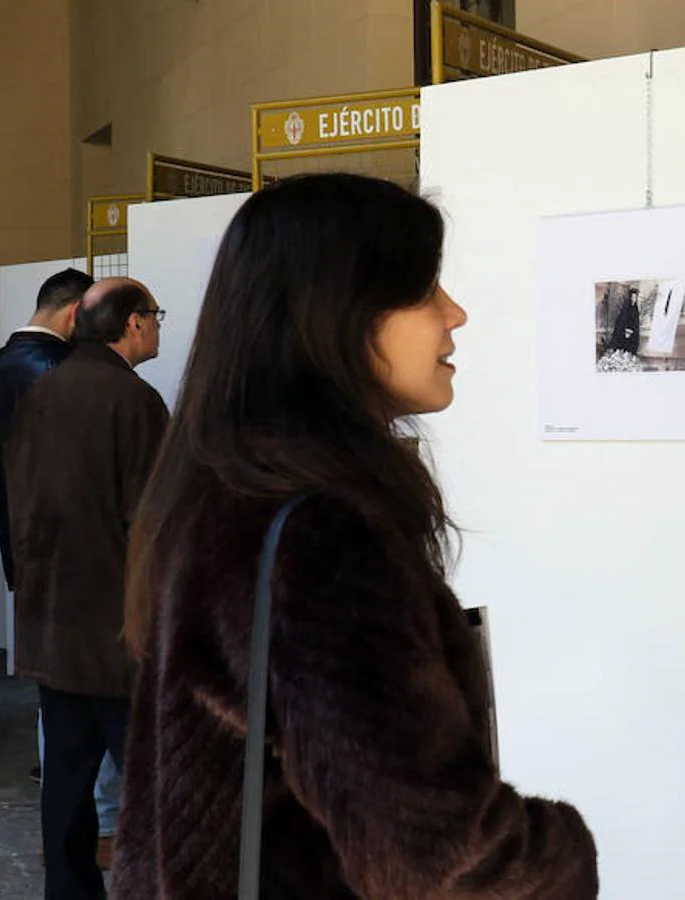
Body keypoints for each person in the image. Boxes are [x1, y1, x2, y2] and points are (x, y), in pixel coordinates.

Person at [112, 173, 598, 898]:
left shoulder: (226, 484)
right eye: (424, 289)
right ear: (337, 310)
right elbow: (438, 858)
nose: (454, 314)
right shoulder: (321, 530)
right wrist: (560, 855)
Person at [4, 276, 168, 900]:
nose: (156, 325)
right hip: (120, 633)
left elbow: (20, 504)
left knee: (66, 784)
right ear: (131, 324)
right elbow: (151, 521)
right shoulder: (134, 402)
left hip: (54, 625)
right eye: (153, 315)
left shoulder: (42, 394)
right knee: (155, 788)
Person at [0, 267, 122, 863]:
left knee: (57, 689)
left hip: (26, 547)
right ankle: (103, 823)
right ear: (76, 312)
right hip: (82, 553)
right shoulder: (58, 375)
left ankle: (83, 823)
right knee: (98, 684)